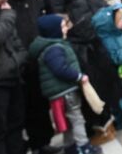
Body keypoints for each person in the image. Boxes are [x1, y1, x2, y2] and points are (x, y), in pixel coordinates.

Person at [42, 0, 122, 135]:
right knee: (92, 81)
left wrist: (106, 9)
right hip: (78, 39)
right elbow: (58, 14)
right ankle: (98, 125)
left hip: (98, 32)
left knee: (108, 75)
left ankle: (114, 117)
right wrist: (75, 27)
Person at [0, 0, 54, 154]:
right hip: (13, 63)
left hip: (33, 56)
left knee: (39, 105)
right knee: (15, 115)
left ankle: (41, 143)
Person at [29, 15, 100, 154]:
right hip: (66, 91)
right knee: (77, 119)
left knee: (67, 122)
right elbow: (60, 69)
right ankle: (83, 147)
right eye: (62, 26)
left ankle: (70, 147)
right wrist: (79, 76)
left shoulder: (50, 47)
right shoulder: (54, 48)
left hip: (59, 93)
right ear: (53, 31)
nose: (66, 28)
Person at [0, 0, 27, 154]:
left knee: (16, 124)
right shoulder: (6, 14)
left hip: (12, 74)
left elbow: (13, 40)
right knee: (0, 129)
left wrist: (20, 58)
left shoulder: (2, 11)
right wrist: (7, 16)